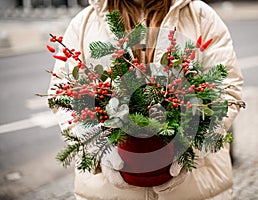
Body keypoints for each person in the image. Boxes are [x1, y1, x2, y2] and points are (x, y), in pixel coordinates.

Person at [48, 0, 244, 199]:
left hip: (195, 187)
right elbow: (63, 95)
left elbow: (226, 89)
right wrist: (96, 147)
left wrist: (191, 149)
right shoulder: (84, 23)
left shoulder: (200, 16)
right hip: (108, 191)